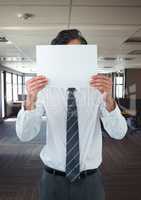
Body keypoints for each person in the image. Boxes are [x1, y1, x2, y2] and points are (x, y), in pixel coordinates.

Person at [16, 29, 127, 200]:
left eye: (78, 55)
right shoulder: (44, 90)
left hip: (90, 181)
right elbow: (25, 135)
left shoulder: (98, 90)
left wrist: (109, 100)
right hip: (52, 179)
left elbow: (119, 134)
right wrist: (30, 99)